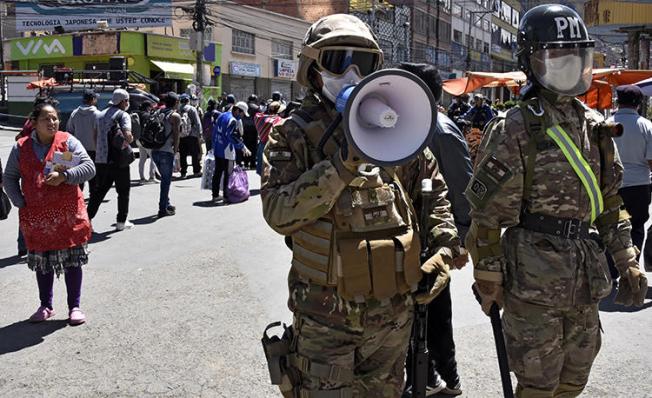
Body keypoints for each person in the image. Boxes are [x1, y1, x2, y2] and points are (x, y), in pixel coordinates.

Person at [261, 14, 463, 397]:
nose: (352, 73)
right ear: (313, 69)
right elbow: (279, 212)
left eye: (364, 62)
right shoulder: (293, 135)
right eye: (339, 60)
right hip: (325, 321)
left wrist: (443, 247)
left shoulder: (399, 131)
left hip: (393, 319)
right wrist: (342, 165)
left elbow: (432, 193)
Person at [465, 5, 648, 397]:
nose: (567, 67)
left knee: (574, 381)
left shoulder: (594, 126)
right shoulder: (514, 126)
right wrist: (489, 278)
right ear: (532, 62)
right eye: (556, 57)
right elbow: (487, 219)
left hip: (585, 280)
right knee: (537, 385)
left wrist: (627, 261)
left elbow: (610, 206)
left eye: (574, 57)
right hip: (532, 284)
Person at [3, 102, 95, 325]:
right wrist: (19, 201)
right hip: (36, 217)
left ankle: (74, 307)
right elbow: (9, 177)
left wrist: (66, 176)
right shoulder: (21, 147)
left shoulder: (67, 142)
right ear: (34, 123)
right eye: (46, 118)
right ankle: (46, 305)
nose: (52, 122)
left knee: (73, 261)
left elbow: (89, 167)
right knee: (43, 264)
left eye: (54, 118)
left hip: (68, 214)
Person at [608, 85, 652, 259]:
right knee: (636, 227)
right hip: (639, 187)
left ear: (618, 102)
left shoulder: (606, 125)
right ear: (639, 104)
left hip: (611, 186)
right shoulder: (647, 126)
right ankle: (631, 272)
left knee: (611, 227)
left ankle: (612, 273)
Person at [87, 88, 134, 231]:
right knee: (123, 191)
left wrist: (101, 152)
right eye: (127, 101)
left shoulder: (99, 115)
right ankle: (121, 222)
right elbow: (128, 135)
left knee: (99, 192)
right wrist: (130, 139)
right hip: (119, 160)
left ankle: (86, 221)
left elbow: (95, 137)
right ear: (124, 101)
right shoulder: (123, 115)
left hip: (101, 160)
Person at [212, 101, 251, 204]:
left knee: (217, 172)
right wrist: (243, 147)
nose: (242, 117)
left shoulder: (222, 115)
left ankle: (215, 195)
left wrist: (213, 145)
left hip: (217, 148)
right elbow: (232, 136)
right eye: (242, 114)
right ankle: (226, 197)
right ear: (238, 110)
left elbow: (215, 131)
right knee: (228, 175)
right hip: (226, 151)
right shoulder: (232, 120)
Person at [151, 92, 181, 218]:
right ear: (176, 102)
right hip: (166, 151)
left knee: (164, 179)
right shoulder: (175, 116)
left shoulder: (157, 112)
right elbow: (176, 135)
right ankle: (162, 208)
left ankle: (166, 203)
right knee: (166, 181)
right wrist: (176, 151)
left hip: (155, 150)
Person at [66, 89, 100, 195]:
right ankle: (93, 197)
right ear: (93, 99)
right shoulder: (98, 115)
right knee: (93, 175)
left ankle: (78, 197)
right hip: (94, 150)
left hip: (77, 150)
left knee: (79, 176)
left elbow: (69, 131)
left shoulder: (74, 113)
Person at [254, 101, 284, 176]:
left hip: (262, 145)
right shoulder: (278, 120)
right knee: (272, 169)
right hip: (272, 146)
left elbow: (258, 115)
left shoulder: (260, 119)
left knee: (263, 169)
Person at [178, 93, 203, 178]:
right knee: (194, 154)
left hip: (181, 135)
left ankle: (183, 172)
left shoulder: (179, 109)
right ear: (188, 101)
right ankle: (196, 171)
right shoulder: (192, 109)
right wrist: (200, 133)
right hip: (192, 135)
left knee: (183, 154)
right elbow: (197, 122)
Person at [135, 101, 159, 184]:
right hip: (146, 140)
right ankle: (152, 177)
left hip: (138, 139)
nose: (151, 108)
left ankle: (142, 178)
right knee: (153, 158)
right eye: (150, 107)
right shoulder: (147, 115)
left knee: (142, 159)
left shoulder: (137, 114)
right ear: (147, 107)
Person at [241, 94, 260, 170]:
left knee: (245, 145)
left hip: (244, 129)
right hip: (253, 129)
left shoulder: (244, 106)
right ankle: (252, 163)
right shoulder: (257, 108)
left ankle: (245, 162)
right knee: (253, 146)